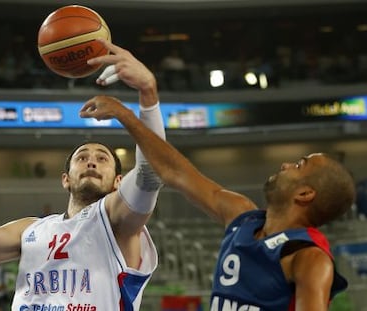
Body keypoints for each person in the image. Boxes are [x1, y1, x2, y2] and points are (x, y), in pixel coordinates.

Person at [84, 41, 356, 310]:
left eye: (299, 165)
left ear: (305, 194)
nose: (286, 165)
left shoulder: (308, 257)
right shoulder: (242, 215)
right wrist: (144, 95)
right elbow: (172, 170)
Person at [0, 40, 165, 311]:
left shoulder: (118, 222)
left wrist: (147, 93)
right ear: (66, 179)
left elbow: (151, 174)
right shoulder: (31, 229)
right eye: (82, 157)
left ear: (118, 182)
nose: (91, 162)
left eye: (102, 159)